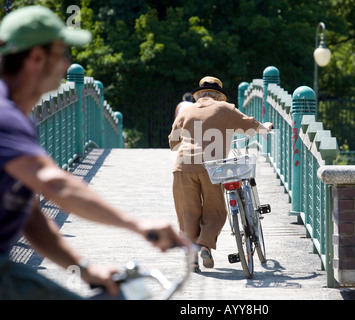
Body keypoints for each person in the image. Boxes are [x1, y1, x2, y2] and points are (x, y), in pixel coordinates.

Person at [0, 5, 189, 300]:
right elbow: (56, 184)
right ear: (36, 57)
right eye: (62, 55)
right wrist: (136, 224)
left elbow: (31, 219)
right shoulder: (5, 117)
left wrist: (84, 269)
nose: (66, 65)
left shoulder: (22, 119)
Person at [168, 76, 272, 272]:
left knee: (187, 213)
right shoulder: (225, 109)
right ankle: (205, 245)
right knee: (215, 211)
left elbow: (173, 143)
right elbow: (250, 124)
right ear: (219, 96)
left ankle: (192, 257)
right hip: (212, 167)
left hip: (183, 167)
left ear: (199, 95)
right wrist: (265, 128)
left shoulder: (186, 111)